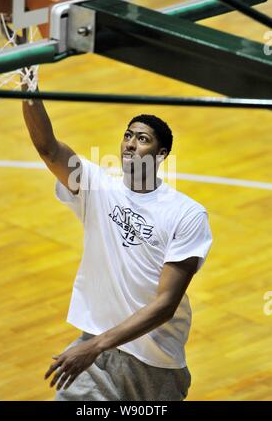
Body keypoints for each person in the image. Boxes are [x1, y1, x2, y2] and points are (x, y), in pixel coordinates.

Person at [22, 91, 212, 401]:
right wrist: (28, 87)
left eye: (142, 139)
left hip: (154, 364)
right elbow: (48, 149)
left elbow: (165, 304)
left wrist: (96, 346)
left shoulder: (186, 214)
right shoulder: (98, 186)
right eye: (127, 135)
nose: (130, 143)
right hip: (95, 351)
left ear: (161, 154)